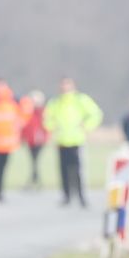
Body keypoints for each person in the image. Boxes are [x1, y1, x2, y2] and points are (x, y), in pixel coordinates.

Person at [43, 77, 103, 208]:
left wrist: (86, 126)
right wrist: (53, 127)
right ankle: (66, 196)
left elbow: (95, 114)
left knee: (78, 171)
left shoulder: (80, 100)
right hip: (61, 140)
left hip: (77, 140)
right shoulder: (55, 102)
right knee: (63, 170)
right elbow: (47, 118)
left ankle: (81, 196)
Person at [20, 90, 49, 189]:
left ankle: (34, 180)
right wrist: (22, 138)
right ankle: (35, 180)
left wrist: (46, 138)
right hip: (30, 140)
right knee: (34, 161)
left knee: (35, 161)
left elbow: (47, 127)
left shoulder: (43, 112)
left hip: (39, 141)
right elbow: (25, 126)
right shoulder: (28, 112)